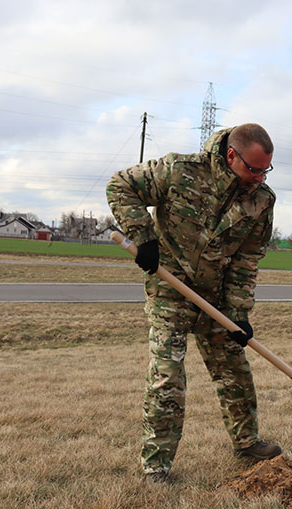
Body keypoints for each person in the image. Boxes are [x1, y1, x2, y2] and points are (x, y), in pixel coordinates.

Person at [106, 123, 281, 484]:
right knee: (167, 377)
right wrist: (144, 238)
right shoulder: (179, 171)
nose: (260, 178)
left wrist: (237, 312)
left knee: (235, 370)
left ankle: (247, 443)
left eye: (266, 170)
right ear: (231, 155)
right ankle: (156, 465)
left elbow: (248, 259)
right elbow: (120, 185)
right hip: (170, 290)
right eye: (254, 169)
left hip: (215, 297)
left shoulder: (261, 200)